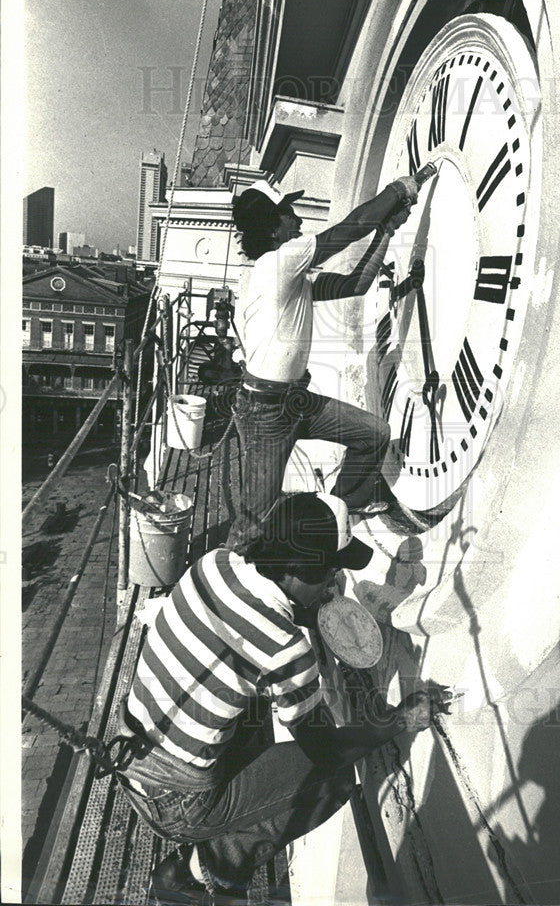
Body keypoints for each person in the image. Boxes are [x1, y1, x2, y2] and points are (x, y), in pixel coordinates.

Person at [116, 492, 447, 903]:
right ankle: (211, 869)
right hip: (177, 804)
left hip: (132, 761)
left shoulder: (214, 563)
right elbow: (326, 753)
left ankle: (198, 866)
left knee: (256, 699)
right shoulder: (284, 647)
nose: (332, 583)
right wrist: (401, 719)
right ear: (303, 570)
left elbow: (241, 629)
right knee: (332, 779)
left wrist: (305, 610)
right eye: (330, 573)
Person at [223, 173, 421, 553]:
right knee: (252, 527)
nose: (297, 222)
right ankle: (225, 597)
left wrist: (386, 232)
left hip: (295, 402)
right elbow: (349, 228)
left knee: (374, 435)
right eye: (289, 215)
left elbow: (355, 285)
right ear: (272, 228)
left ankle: (332, 517)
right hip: (266, 413)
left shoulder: (291, 277)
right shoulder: (279, 262)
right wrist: (398, 191)